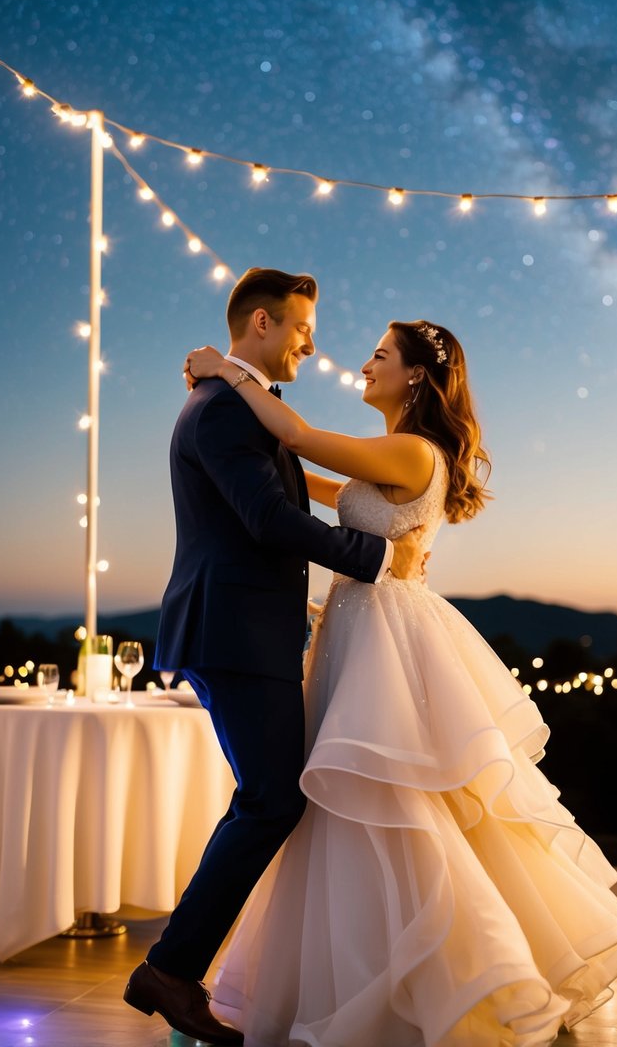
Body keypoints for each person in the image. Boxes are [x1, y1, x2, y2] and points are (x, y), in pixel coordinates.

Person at [183, 318, 617, 1047]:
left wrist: (229, 372)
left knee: (392, 795)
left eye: (379, 356)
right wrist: (241, 452)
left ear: (415, 378)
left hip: (384, 638)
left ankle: (456, 972)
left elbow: (300, 439)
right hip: (359, 625)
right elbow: (305, 473)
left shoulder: (409, 449)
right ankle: (363, 965)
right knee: (354, 799)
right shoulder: (390, 457)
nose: (362, 365)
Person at [123, 268, 425, 1045]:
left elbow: (288, 489)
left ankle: (177, 970)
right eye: (300, 329)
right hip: (232, 631)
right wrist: (377, 558)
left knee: (272, 796)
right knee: (272, 798)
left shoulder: (231, 400)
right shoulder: (224, 409)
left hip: (246, 629)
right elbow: (263, 517)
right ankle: (170, 972)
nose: (312, 343)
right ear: (261, 323)